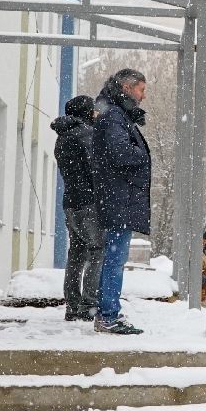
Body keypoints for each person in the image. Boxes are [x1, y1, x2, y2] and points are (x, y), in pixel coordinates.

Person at [90, 68, 152, 334]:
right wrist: (142, 155)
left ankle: (107, 312)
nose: (143, 96)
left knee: (114, 257)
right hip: (119, 199)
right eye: (141, 90)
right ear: (127, 88)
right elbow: (121, 153)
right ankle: (108, 315)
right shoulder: (114, 116)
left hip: (118, 198)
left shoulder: (114, 114)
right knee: (115, 259)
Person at [51, 95, 101, 322]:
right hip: (89, 204)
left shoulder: (62, 137)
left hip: (70, 203)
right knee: (97, 252)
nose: (95, 114)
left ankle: (72, 306)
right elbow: (95, 171)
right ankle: (89, 305)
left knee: (76, 254)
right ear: (86, 112)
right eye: (92, 111)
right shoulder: (86, 135)